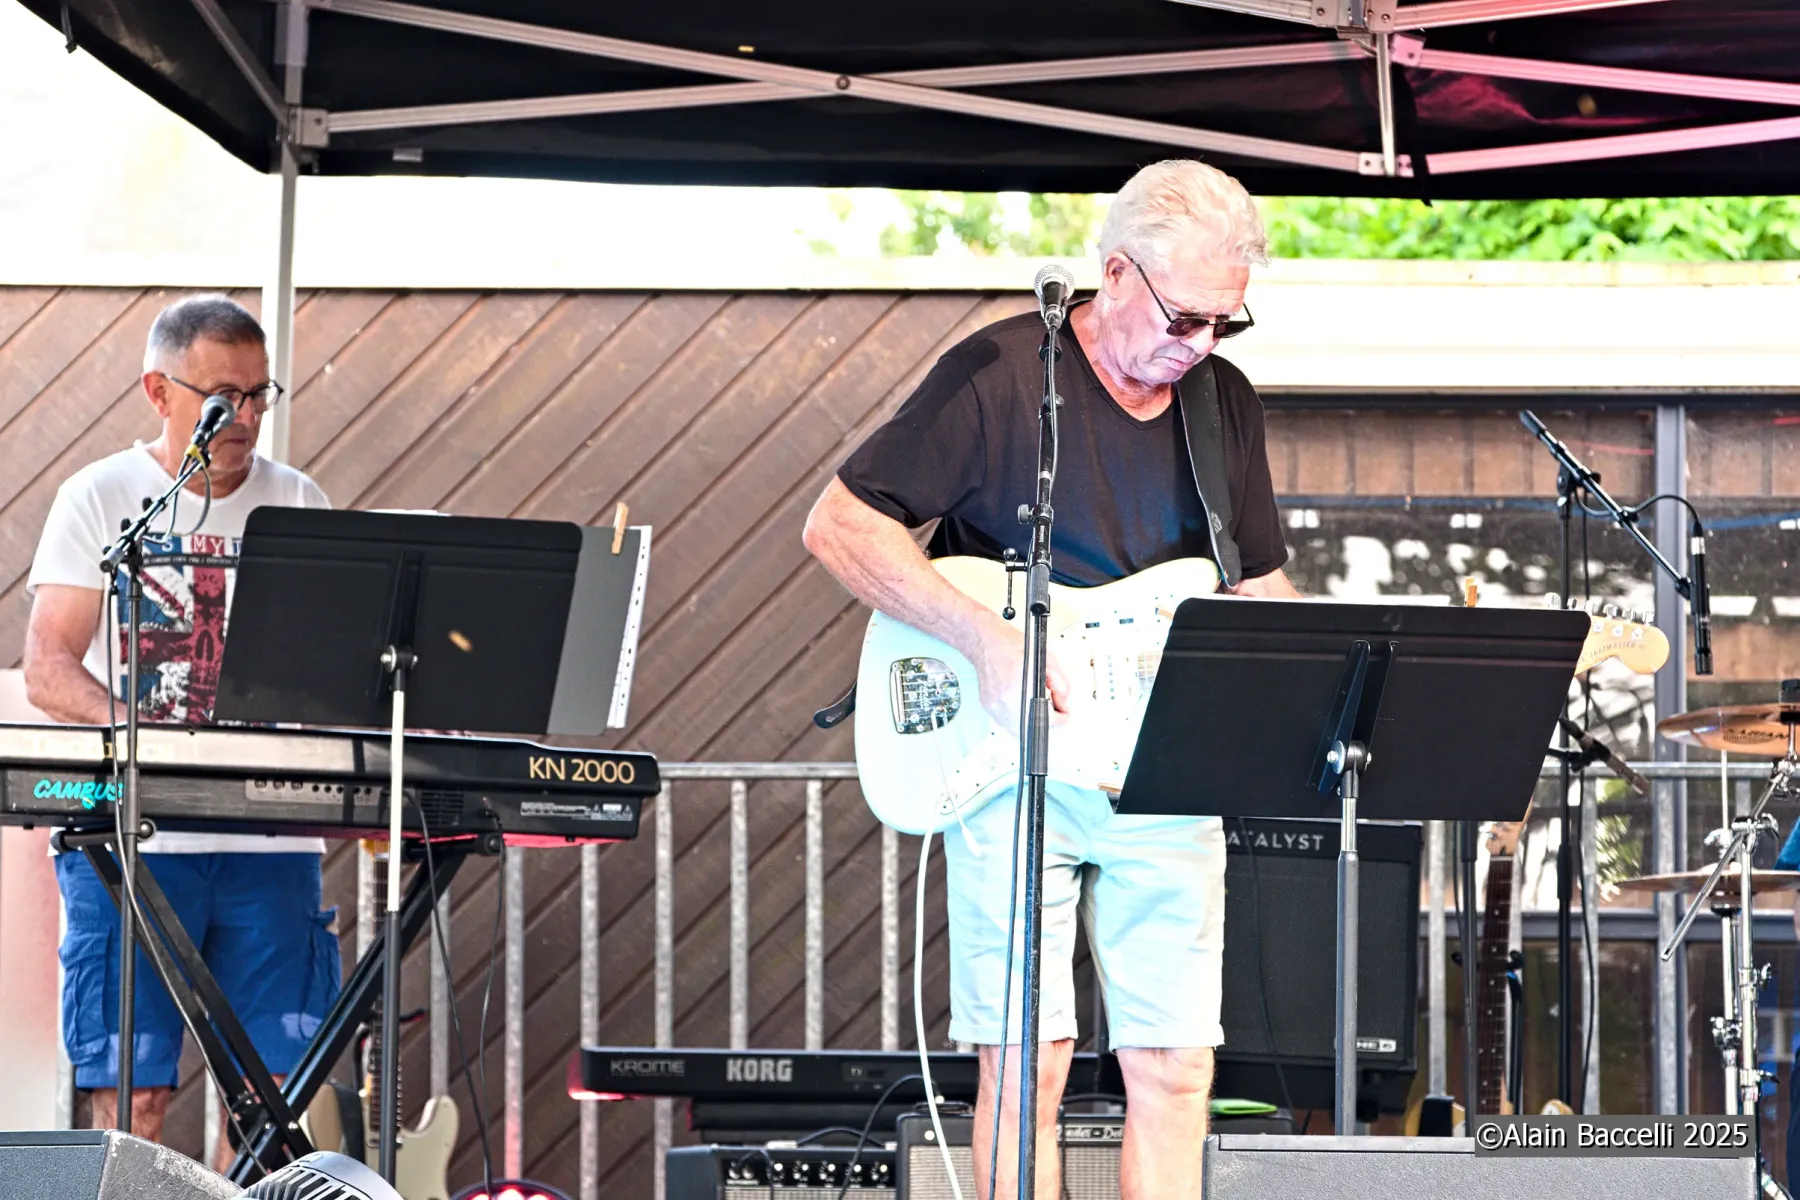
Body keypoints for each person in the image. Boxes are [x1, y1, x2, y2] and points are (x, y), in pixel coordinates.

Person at [803, 160, 1297, 1200]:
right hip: (1014, 762)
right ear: (1114, 274)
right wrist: (987, 640)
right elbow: (840, 525)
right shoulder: (998, 376)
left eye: (1225, 323)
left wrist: (1333, 670)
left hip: (1172, 765)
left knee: (1176, 1064)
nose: (1201, 344)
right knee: (1028, 1059)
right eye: (1185, 317)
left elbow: (1255, 583)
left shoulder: (1223, 403)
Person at [24, 294, 339, 1157]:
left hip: (271, 842)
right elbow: (48, 668)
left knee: (276, 1101)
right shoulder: (100, 497)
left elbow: (335, 669)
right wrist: (148, 737)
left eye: (258, 395)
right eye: (221, 398)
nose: (245, 419)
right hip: (135, 841)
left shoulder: (299, 502)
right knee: (135, 1099)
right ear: (159, 393)